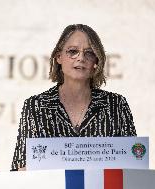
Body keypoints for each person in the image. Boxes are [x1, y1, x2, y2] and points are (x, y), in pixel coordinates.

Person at [11, 24, 137, 171]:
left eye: (89, 53)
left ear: (96, 61)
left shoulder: (116, 105)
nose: (81, 58)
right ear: (59, 57)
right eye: (73, 51)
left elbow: (134, 165)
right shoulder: (36, 106)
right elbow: (19, 169)